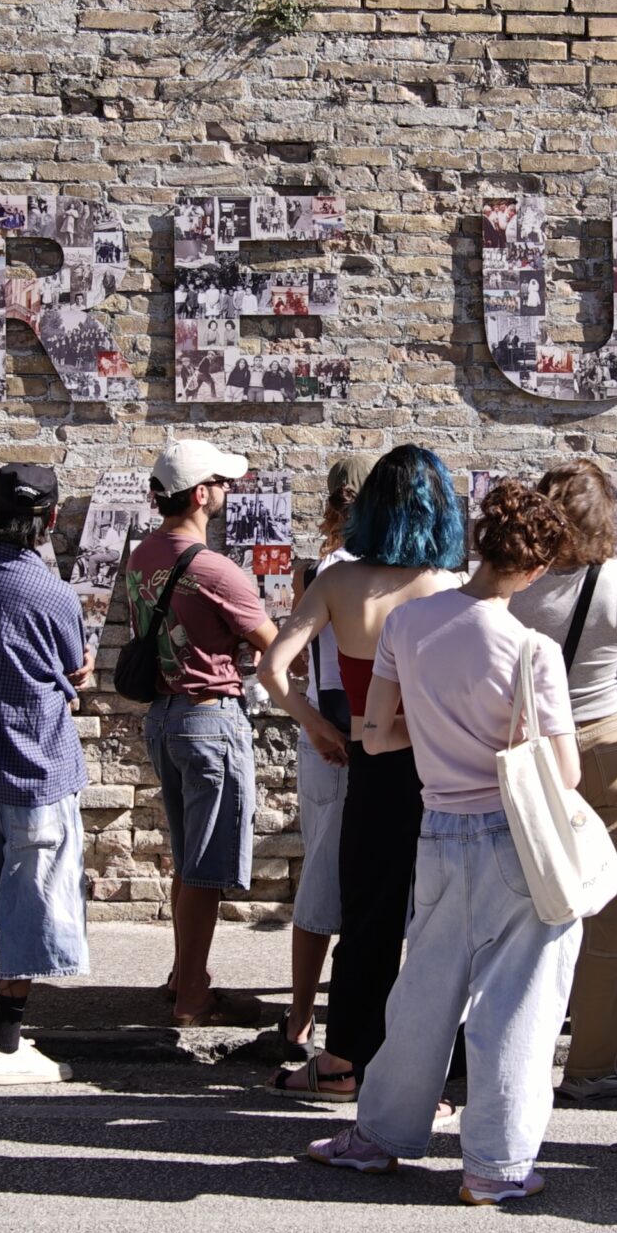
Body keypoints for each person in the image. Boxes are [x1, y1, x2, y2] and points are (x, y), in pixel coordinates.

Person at [302, 481, 581, 1204]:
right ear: (537, 568)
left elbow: (375, 734)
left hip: (437, 828)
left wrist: (434, 730)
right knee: (515, 1003)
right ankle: (495, 1164)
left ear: (479, 543)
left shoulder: (407, 623)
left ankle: (379, 1135)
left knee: (422, 994)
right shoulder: (532, 650)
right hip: (512, 838)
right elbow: (564, 773)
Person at [256, 447, 465, 1098]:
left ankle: (343, 1062)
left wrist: (316, 725)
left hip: (372, 767)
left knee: (367, 922)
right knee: (440, 925)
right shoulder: (452, 587)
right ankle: (429, 1073)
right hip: (444, 771)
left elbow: (272, 669)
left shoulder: (338, 582)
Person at [511, 460, 617, 1101]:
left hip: (533, 752)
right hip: (608, 743)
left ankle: (517, 1054)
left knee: (525, 909)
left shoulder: (514, 584)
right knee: (611, 913)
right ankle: (591, 1067)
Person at [0, 464, 94, 1088]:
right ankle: (5, 1044)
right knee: (30, 902)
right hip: (34, 766)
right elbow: (72, 665)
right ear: (50, 518)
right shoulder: (52, 593)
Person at [126, 440, 278, 1026]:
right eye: (220, 481)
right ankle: (193, 996)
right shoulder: (214, 569)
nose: (227, 490)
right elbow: (274, 644)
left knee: (189, 857)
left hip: (164, 716)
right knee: (204, 867)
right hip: (209, 717)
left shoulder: (142, 555)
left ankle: (183, 974)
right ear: (198, 494)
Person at [280, 451, 374, 1055]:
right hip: (367, 735)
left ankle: (300, 1016)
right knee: (363, 882)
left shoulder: (314, 571)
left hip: (322, 735)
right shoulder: (385, 572)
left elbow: (291, 662)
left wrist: (311, 723)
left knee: (319, 873)